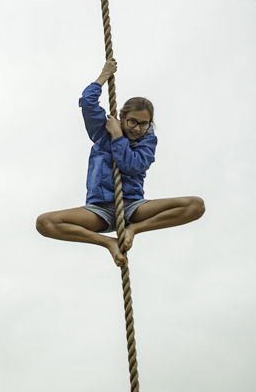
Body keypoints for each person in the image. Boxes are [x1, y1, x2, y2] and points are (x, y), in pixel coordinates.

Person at [36, 59, 205, 266]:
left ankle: (133, 229)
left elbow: (131, 166)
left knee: (195, 206)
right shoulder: (102, 131)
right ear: (122, 117)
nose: (137, 128)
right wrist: (104, 75)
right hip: (100, 209)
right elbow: (87, 103)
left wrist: (118, 136)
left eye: (144, 124)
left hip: (133, 207)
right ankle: (107, 242)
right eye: (132, 121)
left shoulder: (147, 142)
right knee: (45, 222)